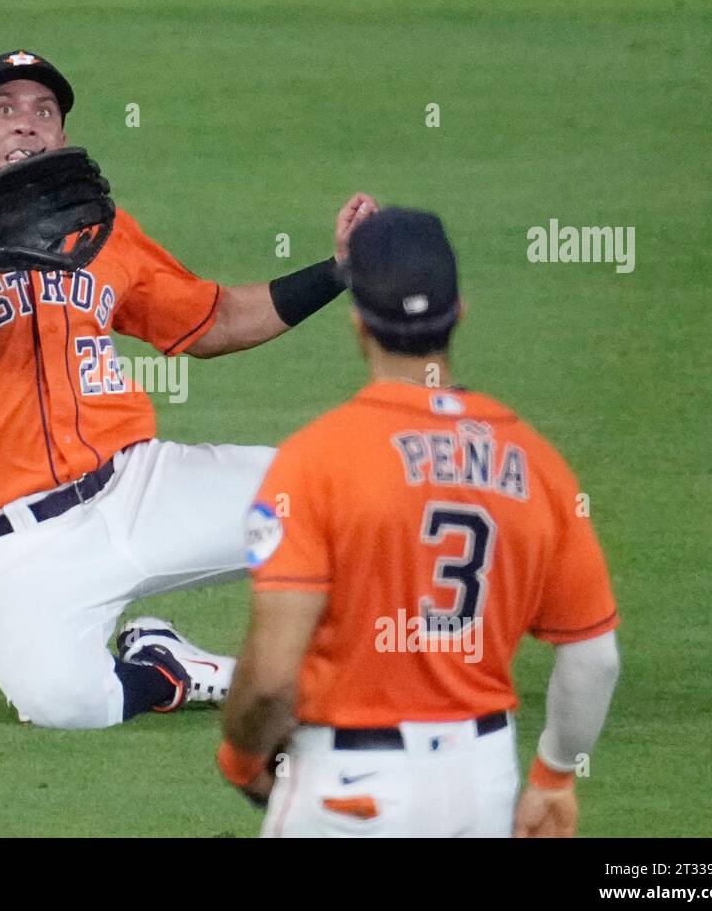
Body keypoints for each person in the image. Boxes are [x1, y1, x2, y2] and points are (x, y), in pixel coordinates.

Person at [0, 48, 379, 730]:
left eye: (44, 111)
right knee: (64, 704)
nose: (26, 123)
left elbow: (218, 320)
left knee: (342, 505)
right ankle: (170, 671)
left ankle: (398, 670)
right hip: (21, 548)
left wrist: (340, 271)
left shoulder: (100, 230)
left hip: (139, 488)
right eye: (4, 110)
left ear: (63, 139)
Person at [217, 207, 620, 835]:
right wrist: (555, 776)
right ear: (459, 311)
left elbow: (271, 679)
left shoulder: (316, 461)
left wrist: (241, 758)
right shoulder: (535, 462)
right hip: (481, 782)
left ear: (357, 323)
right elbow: (594, 659)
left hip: (349, 790)